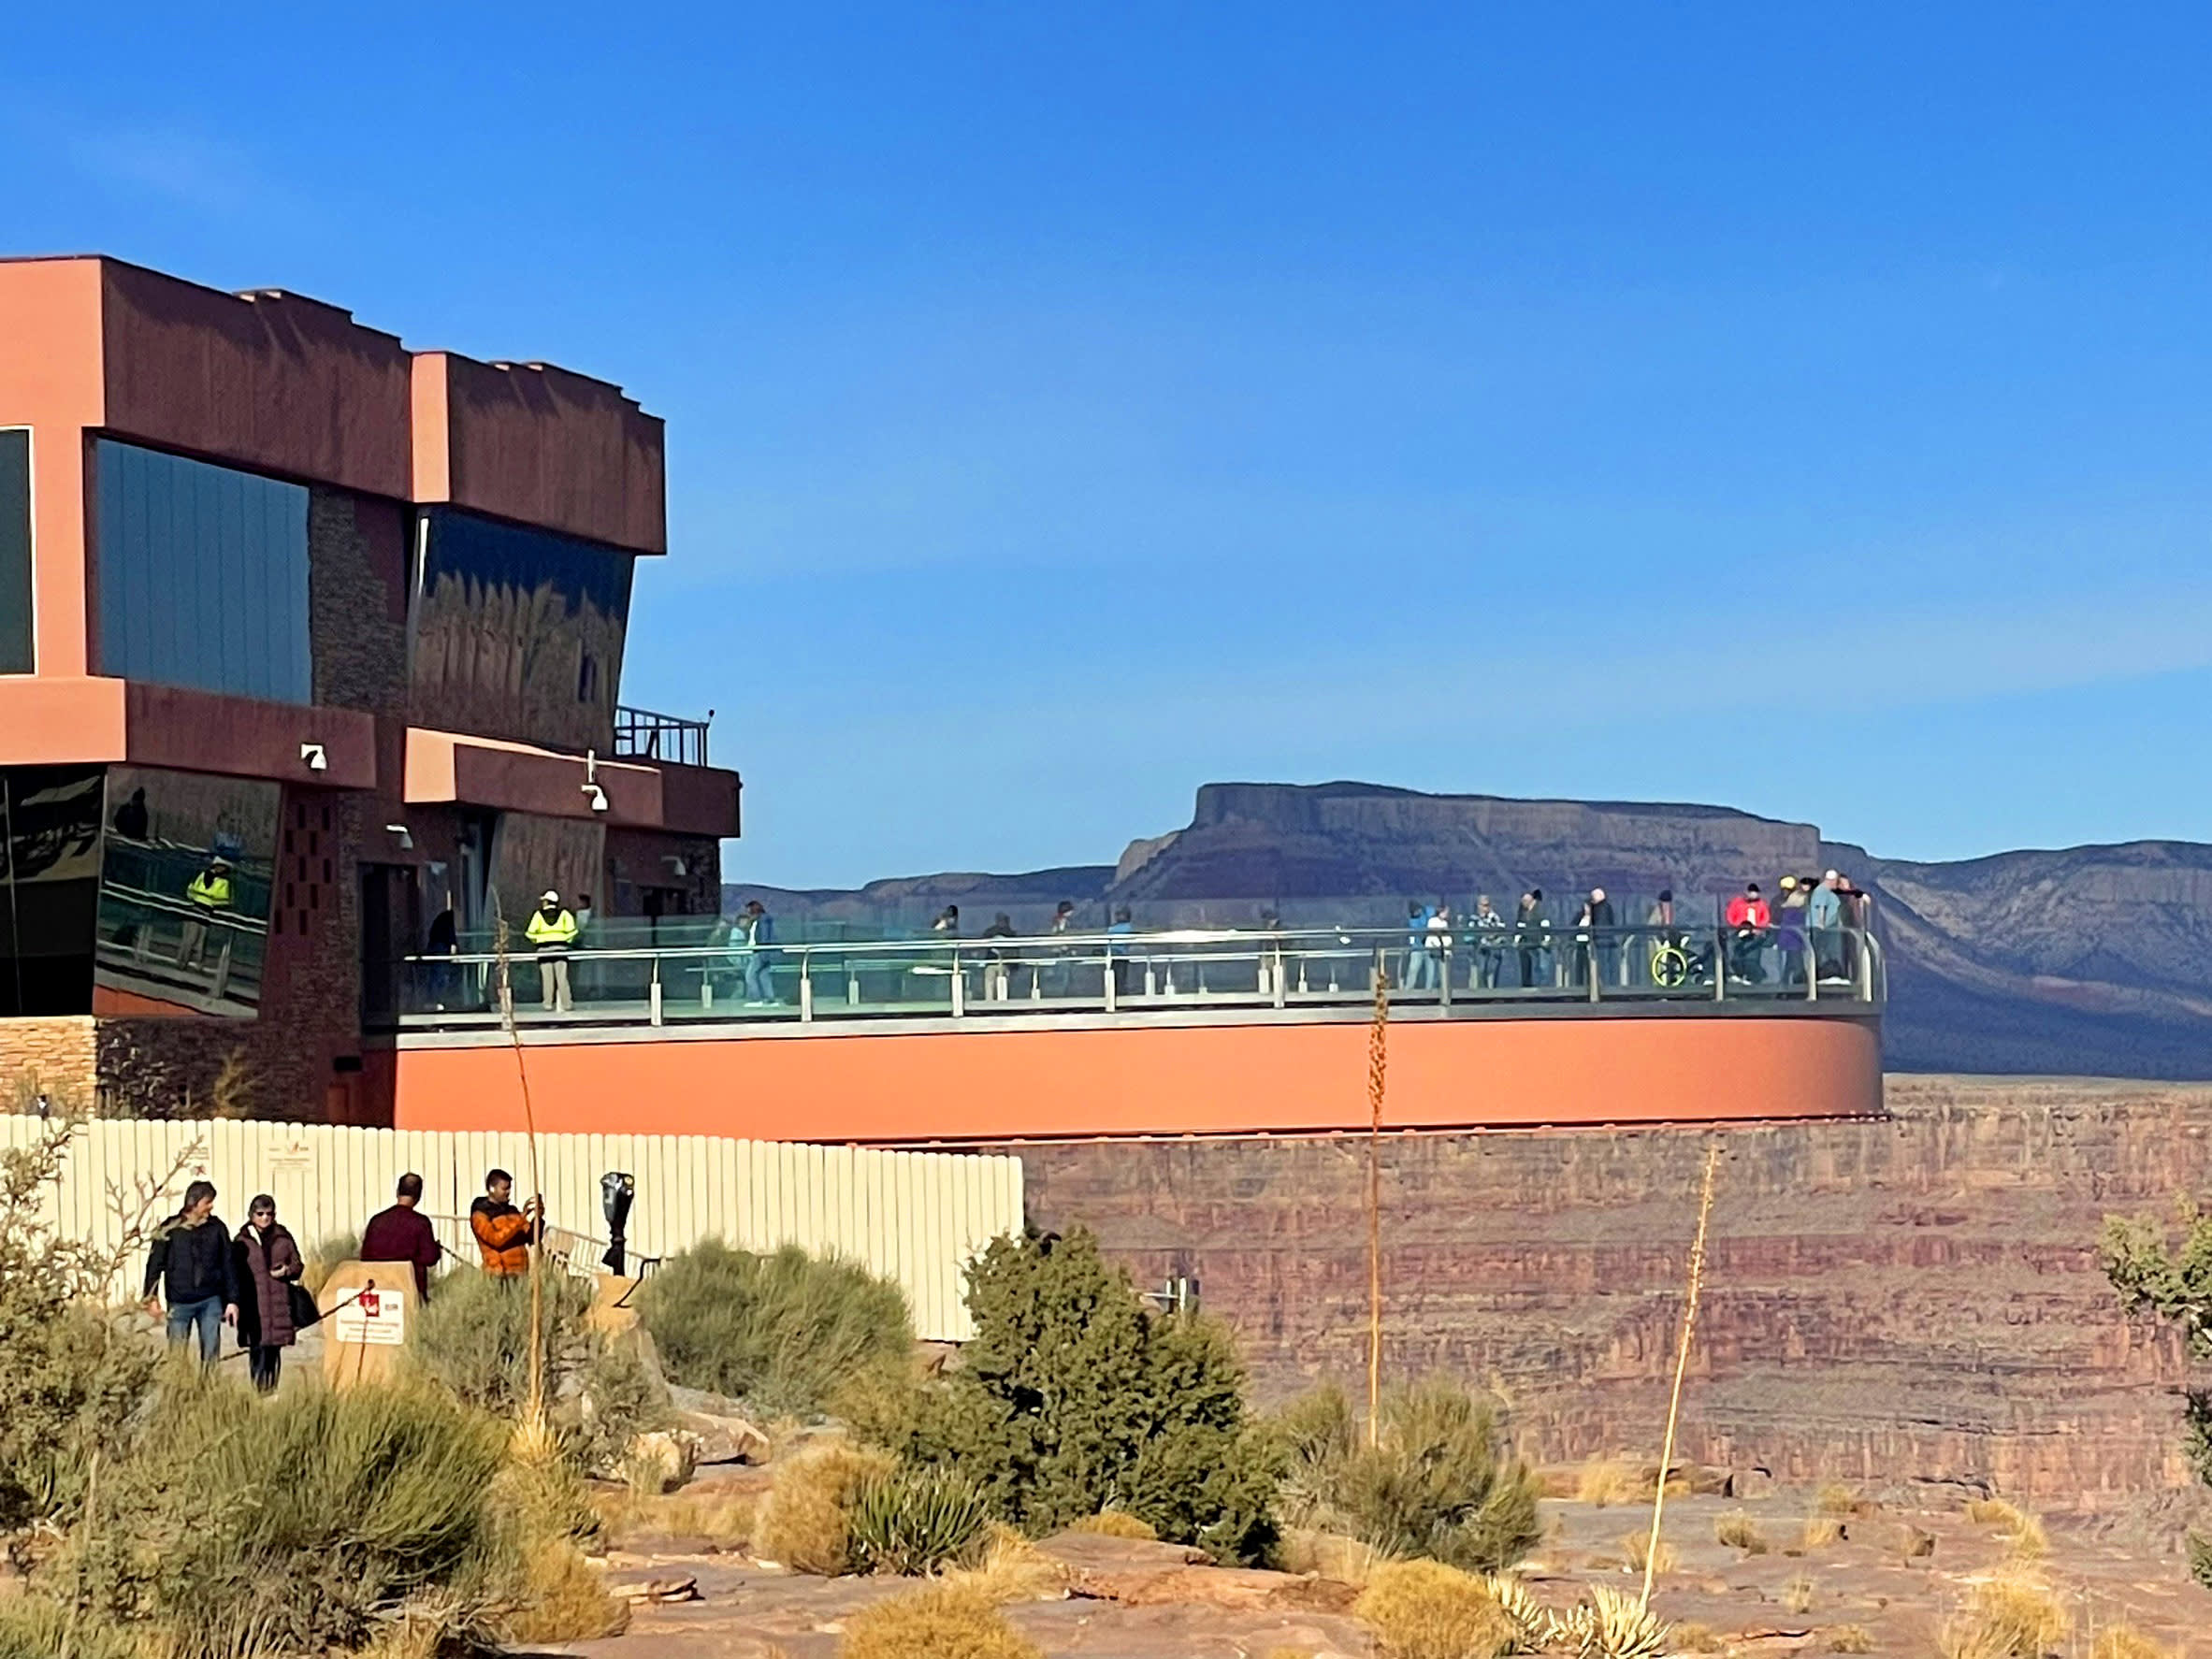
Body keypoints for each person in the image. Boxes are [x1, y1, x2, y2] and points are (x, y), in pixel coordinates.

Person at [142, 1179, 238, 1363]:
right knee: (177, 1355)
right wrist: (151, 1297)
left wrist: (233, 1300)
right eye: (207, 1202)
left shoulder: (217, 1228)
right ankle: (180, 1382)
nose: (211, 1206)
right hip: (179, 1303)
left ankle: (209, 1381)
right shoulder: (170, 1228)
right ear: (194, 1202)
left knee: (211, 1354)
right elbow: (154, 1265)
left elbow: (228, 1265)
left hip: (210, 1300)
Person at [234, 1194, 304, 1392]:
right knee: (257, 1350)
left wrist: (287, 1271)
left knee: (274, 1352)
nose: (265, 1218)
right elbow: (234, 1273)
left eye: (269, 1214)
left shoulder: (283, 1237)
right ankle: (259, 1392)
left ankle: (271, 1391)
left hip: (278, 1304)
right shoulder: (242, 1240)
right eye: (260, 1213)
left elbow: (298, 1265)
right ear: (251, 1215)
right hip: (253, 1306)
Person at [361, 1172, 443, 1303]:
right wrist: (436, 1249)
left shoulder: (376, 1221)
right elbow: (430, 1258)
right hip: (410, 1293)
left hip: (378, 1291)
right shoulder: (421, 1223)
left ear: (397, 1192)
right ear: (418, 1196)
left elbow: (365, 1257)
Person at [469, 1169, 541, 1278]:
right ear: (492, 1189)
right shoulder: (480, 1214)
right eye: (504, 1188)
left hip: (520, 1273)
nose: (508, 1192)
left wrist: (538, 1218)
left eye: (509, 1188)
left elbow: (530, 1237)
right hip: (499, 1274)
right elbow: (496, 1239)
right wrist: (521, 1217)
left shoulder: (512, 1211)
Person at [525, 890, 579, 1012]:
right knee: (562, 978)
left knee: (547, 979)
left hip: (544, 950)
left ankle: (548, 1004)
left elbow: (530, 933)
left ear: (547, 901)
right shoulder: (564, 914)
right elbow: (573, 932)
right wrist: (566, 941)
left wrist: (538, 941)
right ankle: (567, 1004)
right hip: (560, 949)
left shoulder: (538, 915)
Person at [178, 856, 233, 971]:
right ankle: (182, 962)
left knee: (201, 941)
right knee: (190, 938)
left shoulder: (224, 882)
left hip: (207, 913)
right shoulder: (202, 875)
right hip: (195, 909)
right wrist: (201, 897)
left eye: (223, 867)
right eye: (219, 866)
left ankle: (197, 965)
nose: (220, 869)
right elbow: (191, 890)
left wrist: (210, 900)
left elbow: (224, 900)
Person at [1725, 881, 1771, 984]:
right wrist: (1738, 926)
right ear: (1747, 892)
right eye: (1751, 893)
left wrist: (1759, 928)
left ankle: (1752, 977)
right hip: (1739, 932)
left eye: (1756, 893)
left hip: (1755, 933)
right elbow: (1730, 916)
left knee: (1753, 954)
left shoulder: (1761, 904)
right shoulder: (1737, 902)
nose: (1754, 895)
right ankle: (1737, 973)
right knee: (1737, 952)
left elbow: (1765, 917)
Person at [738, 899, 779, 1003]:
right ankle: (770, 997)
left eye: (749, 912)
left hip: (760, 952)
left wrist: (763, 952)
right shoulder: (757, 922)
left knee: (750, 976)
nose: (748, 914)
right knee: (764, 975)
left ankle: (756, 998)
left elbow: (764, 937)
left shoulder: (763, 921)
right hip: (762, 952)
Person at [1809, 871, 1845, 982]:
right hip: (1823, 928)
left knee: (1829, 951)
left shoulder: (1828, 892)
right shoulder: (1821, 891)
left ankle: (1831, 973)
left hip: (1830, 927)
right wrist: (1821, 924)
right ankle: (1822, 974)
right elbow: (1821, 907)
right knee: (1822, 951)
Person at [1777, 874, 1812, 987]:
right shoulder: (1796, 909)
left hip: (1791, 940)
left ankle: (1785, 985)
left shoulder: (1783, 906)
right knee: (1796, 965)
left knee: (1789, 964)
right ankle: (1798, 985)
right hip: (1794, 940)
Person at [1470, 894, 1507, 988]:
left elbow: (1500, 929)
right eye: (1482, 905)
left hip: (1494, 947)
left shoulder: (1495, 917)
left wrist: (1492, 935)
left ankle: (1493, 991)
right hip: (1481, 947)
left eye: (1486, 905)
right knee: (1482, 969)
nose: (1484, 908)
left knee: (1492, 971)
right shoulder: (1474, 918)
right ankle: (1484, 991)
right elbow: (1473, 930)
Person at [1515, 889, 1549, 988]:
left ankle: (1543, 988)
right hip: (1527, 943)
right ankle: (1527, 985)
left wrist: (1546, 939)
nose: (1523, 903)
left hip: (1540, 943)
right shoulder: (1522, 911)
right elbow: (1520, 925)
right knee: (1528, 965)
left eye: (1525, 900)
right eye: (1522, 901)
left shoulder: (1541, 909)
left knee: (1542, 967)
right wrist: (1517, 940)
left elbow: (1546, 925)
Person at [981, 912, 1018, 1000]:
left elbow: (1015, 952)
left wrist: (1013, 965)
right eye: (1000, 920)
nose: (1002, 922)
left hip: (1006, 964)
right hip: (991, 963)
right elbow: (982, 948)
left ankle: (1003, 1001)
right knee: (990, 974)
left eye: (1004, 920)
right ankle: (989, 1002)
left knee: (1003, 975)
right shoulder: (989, 933)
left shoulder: (1011, 934)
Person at [1400, 902, 1435, 990]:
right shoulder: (1411, 921)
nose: (1417, 912)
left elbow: (1434, 912)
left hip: (1430, 946)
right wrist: (1411, 945)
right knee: (1413, 969)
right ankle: (1408, 989)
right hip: (1416, 948)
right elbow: (1412, 934)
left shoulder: (1427, 913)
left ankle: (1429, 989)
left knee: (1431, 970)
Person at [1106, 906, 1135, 998]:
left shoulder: (1111, 929)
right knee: (1122, 977)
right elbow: (1129, 942)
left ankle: (1114, 993)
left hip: (1113, 955)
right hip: (1122, 955)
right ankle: (1121, 994)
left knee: (1115, 977)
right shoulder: (1129, 928)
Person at [1424, 902, 1453, 992]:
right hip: (1433, 950)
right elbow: (1433, 935)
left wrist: (1448, 951)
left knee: (1441, 973)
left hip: (1443, 952)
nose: (1447, 914)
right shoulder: (1432, 921)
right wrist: (1440, 945)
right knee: (1431, 972)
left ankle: (1441, 990)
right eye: (1446, 912)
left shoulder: (1445, 923)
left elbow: (1447, 938)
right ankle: (1428, 991)